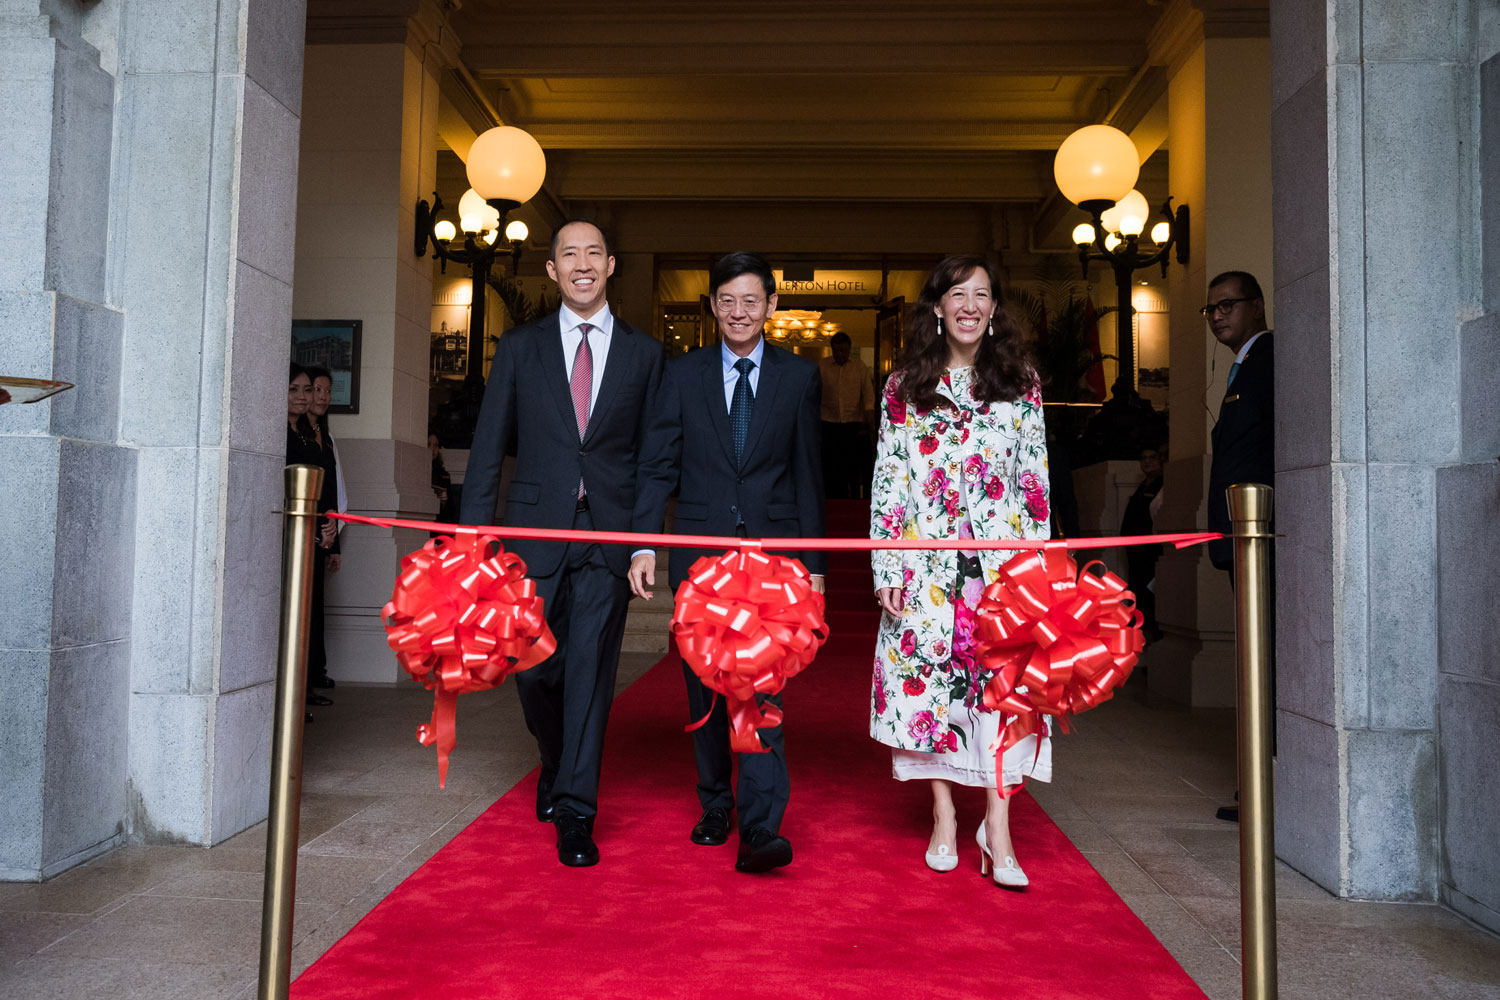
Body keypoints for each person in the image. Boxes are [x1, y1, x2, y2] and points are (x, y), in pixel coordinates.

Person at [460, 220, 664, 868]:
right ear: (552, 271)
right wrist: (473, 544)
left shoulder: (644, 354)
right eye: (569, 255)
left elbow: (654, 459)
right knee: (534, 668)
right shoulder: (520, 348)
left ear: (610, 265)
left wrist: (644, 544)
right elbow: (489, 449)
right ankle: (552, 757)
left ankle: (576, 811)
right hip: (532, 537)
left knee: (590, 676)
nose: (582, 264)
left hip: (609, 536)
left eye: (594, 253)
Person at [628, 251, 826, 874]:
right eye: (727, 301)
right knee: (704, 687)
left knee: (762, 683)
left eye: (752, 301)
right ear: (712, 307)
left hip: (772, 558)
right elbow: (658, 464)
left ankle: (761, 825)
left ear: (771, 306)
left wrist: (813, 560)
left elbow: (806, 473)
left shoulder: (798, 377)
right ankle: (716, 802)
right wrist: (643, 543)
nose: (739, 312)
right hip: (700, 554)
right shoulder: (680, 375)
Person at [869, 254, 1051, 889]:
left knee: (1006, 694)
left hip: (1000, 569)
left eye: (982, 294)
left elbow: (1034, 483)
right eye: (957, 294)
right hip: (928, 570)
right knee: (932, 690)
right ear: (938, 308)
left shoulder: (1019, 381)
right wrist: (888, 563)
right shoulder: (904, 386)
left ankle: (996, 825)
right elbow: (889, 480)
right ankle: (946, 816)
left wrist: (1037, 575)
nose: (970, 305)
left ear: (994, 307)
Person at [1203, 270, 1275, 823]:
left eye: (1228, 305)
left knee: (1265, 658)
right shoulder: (1241, 368)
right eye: (1212, 309)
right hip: (1238, 536)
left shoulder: (1269, 360)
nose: (1219, 315)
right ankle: (1257, 785)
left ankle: (1265, 788)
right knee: (1253, 658)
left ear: (1256, 306)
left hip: (1261, 535)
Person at [285, 365, 338, 720]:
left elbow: (324, 484)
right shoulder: (279, 433)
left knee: (305, 613)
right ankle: (289, 696)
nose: (304, 397)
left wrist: (330, 523)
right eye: (296, 389)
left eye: (308, 390)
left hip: (315, 533)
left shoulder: (309, 433)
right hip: (288, 535)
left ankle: (301, 690)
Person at [305, 366, 345, 697]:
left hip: (325, 532)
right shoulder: (300, 435)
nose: (322, 397)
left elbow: (333, 490)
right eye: (316, 390)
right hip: (307, 530)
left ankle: (316, 671)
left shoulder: (326, 436)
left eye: (326, 391)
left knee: (317, 605)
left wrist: (335, 542)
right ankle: (304, 678)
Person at [818, 331, 875, 498]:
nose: (840, 354)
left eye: (843, 350)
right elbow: (814, 394)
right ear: (832, 349)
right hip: (828, 422)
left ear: (849, 349)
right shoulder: (823, 366)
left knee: (852, 465)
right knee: (830, 466)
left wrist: (869, 417)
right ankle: (831, 499)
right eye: (837, 351)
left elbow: (868, 394)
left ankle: (855, 499)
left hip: (853, 423)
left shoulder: (859, 367)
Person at [1120, 443, 1166, 635]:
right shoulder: (1143, 485)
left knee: (1150, 593)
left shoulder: (1162, 485)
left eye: (1152, 457)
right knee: (1137, 589)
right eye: (1144, 458)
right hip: (1135, 551)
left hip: (1150, 550)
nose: (1147, 462)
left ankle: (1149, 632)